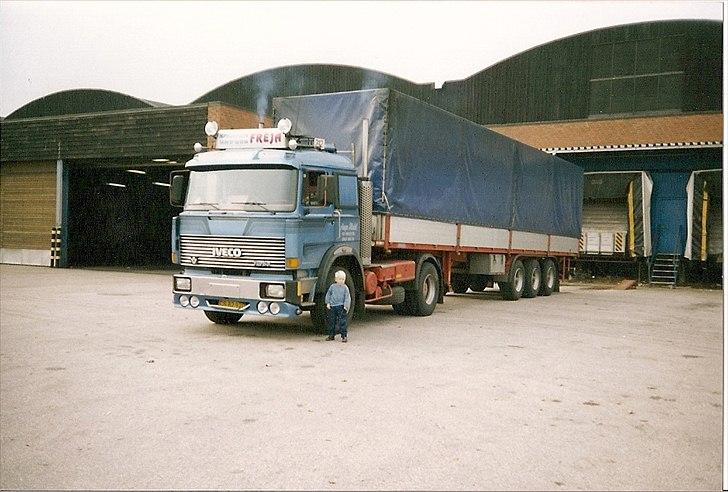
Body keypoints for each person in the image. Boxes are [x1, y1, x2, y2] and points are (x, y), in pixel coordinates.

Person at [325, 270, 351, 342]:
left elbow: (347, 298)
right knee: (331, 321)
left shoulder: (345, 288)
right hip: (332, 306)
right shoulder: (332, 287)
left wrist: (346, 306)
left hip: (341, 307)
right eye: (340, 279)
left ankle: (344, 336)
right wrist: (328, 303)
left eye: (343, 279)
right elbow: (328, 294)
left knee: (342, 322)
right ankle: (331, 335)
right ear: (336, 279)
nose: (341, 281)